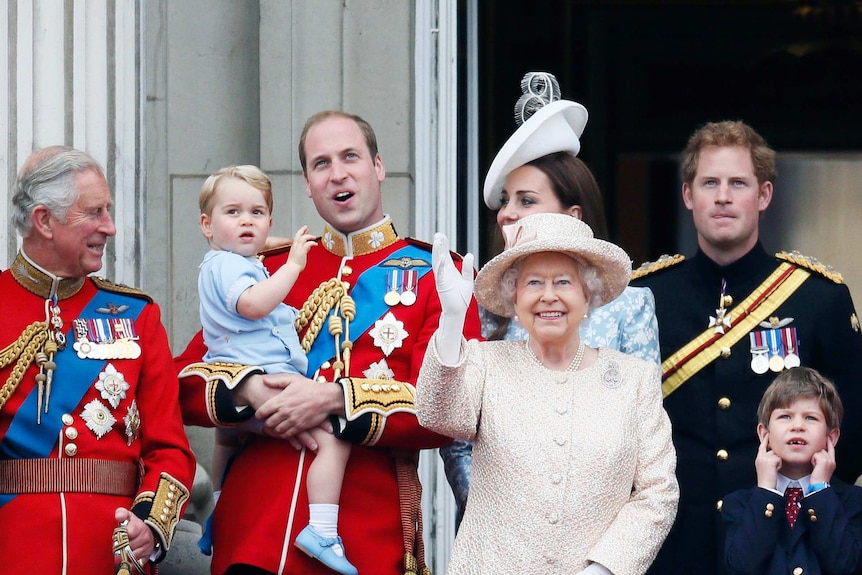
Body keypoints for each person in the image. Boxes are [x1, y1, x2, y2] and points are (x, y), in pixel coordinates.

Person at [175, 110, 483, 575]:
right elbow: (182, 382)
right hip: (253, 532)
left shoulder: (438, 276)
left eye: (350, 157)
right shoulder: (268, 268)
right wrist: (248, 391)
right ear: (307, 182)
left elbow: (451, 411)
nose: (337, 173)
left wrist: (334, 398)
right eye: (321, 163)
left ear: (378, 166)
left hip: (361, 539)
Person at [630, 120, 862, 574]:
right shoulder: (645, 297)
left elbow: (852, 427)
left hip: (784, 541)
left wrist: (808, 518)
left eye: (738, 183)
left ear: (764, 196)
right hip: (673, 540)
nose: (722, 196)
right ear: (687, 196)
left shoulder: (818, 297)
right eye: (709, 183)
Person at [441, 71, 661, 526]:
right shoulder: (480, 306)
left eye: (525, 200)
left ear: (572, 215)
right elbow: (458, 437)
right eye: (505, 200)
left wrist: (603, 548)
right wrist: (498, 522)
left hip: (598, 547)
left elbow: (644, 445)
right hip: (500, 541)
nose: (506, 213)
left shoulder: (630, 306)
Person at [416, 212, 679, 573]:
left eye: (564, 282)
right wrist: (450, 322)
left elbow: (658, 492)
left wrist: (604, 569)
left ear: (588, 295)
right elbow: (437, 414)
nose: (548, 296)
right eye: (534, 282)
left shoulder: (635, 380)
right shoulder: (485, 362)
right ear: (515, 296)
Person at [0, 146, 196, 573]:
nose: (109, 227)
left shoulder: (138, 316)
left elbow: (171, 449)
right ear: (44, 221)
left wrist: (150, 525)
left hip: (113, 553)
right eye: (94, 213)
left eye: (108, 211)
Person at [196, 165, 357, 574]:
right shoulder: (244, 268)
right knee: (334, 438)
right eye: (233, 212)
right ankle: (322, 529)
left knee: (226, 442)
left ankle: (216, 504)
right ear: (207, 225)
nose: (247, 221)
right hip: (266, 374)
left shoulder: (228, 261)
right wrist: (295, 265)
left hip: (234, 373)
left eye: (257, 213)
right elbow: (253, 304)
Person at [722, 367, 862, 574]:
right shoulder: (739, 503)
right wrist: (767, 493)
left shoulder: (853, 501)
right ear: (764, 434)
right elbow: (742, 566)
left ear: (831, 437)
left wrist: (819, 491)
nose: (797, 426)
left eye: (811, 418)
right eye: (785, 416)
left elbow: (845, 565)